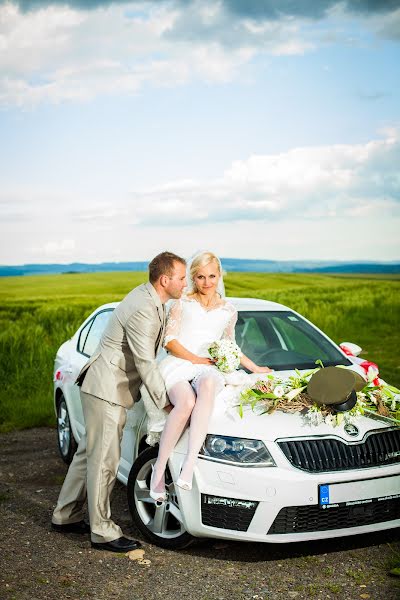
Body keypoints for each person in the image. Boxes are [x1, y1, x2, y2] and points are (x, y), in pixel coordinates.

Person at [52, 251, 187, 552]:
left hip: (104, 385)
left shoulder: (153, 300)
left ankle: (65, 515)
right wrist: (166, 403)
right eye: (181, 277)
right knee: (104, 461)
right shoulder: (143, 308)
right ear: (165, 280)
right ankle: (102, 531)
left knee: (89, 453)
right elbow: (145, 361)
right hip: (107, 389)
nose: (184, 283)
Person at [150, 251, 271, 501]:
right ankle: (159, 470)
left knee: (207, 383)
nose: (207, 282)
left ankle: (189, 464)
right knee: (186, 402)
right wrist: (195, 358)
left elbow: (231, 346)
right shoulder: (183, 303)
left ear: (220, 275)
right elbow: (169, 341)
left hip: (209, 368)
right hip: (180, 363)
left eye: (212, 276)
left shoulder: (228, 310)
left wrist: (255, 367)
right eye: (201, 277)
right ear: (194, 277)